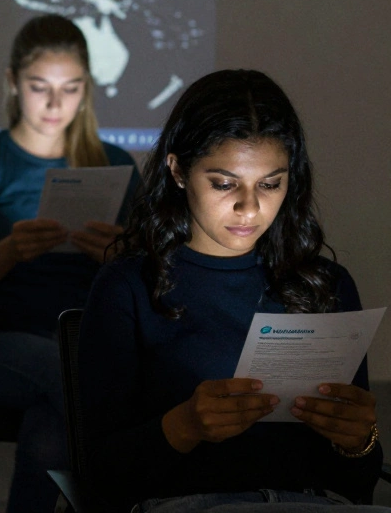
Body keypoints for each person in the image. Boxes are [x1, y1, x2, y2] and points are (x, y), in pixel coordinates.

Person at [80, 69, 384, 513]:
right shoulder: (128, 288)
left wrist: (358, 441)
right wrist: (182, 427)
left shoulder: (326, 286)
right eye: (224, 184)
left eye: (270, 184)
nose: (249, 207)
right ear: (178, 170)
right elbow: (101, 476)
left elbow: (358, 482)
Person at [0, 14, 138, 513]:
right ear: (12, 83)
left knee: (50, 428)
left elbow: (150, 281)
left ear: (86, 88)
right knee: (73, 375)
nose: (54, 104)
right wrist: (10, 252)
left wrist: (122, 254)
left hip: (85, 339)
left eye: (70, 88)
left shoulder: (116, 165)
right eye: (39, 87)